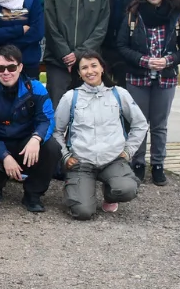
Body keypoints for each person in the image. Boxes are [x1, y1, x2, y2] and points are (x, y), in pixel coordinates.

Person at [117, 0, 180, 185]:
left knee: (159, 125)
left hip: (166, 78)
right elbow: (122, 46)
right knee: (138, 123)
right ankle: (138, 163)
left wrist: (170, 60)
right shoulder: (133, 15)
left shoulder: (177, 16)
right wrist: (143, 60)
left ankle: (158, 165)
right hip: (138, 76)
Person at [53, 51, 148, 220]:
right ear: (79, 73)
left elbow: (140, 124)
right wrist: (65, 156)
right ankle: (78, 190)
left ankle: (110, 194)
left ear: (102, 68)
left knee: (127, 189)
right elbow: (56, 131)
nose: (90, 71)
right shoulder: (70, 97)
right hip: (81, 161)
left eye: (94, 65)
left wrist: (128, 151)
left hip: (113, 159)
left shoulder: (119, 94)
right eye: (84, 68)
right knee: (82, 212)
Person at [0, 45, 61, 212]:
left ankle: (32, 195)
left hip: (26, 143)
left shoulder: (36, 88)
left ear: (20, 67)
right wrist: (4, 156)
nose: (6, 72)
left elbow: (46, 119)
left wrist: (37, 138)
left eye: (11, 67)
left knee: (52, 147)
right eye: (0, 68)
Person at [43, 0, 109, 108]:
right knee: (57, 109)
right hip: (58, 62)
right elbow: (50, 26)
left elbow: (101, 27)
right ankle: (55, 136)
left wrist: (80, 54)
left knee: (87, 110)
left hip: (88, 63)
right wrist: (66, 54)